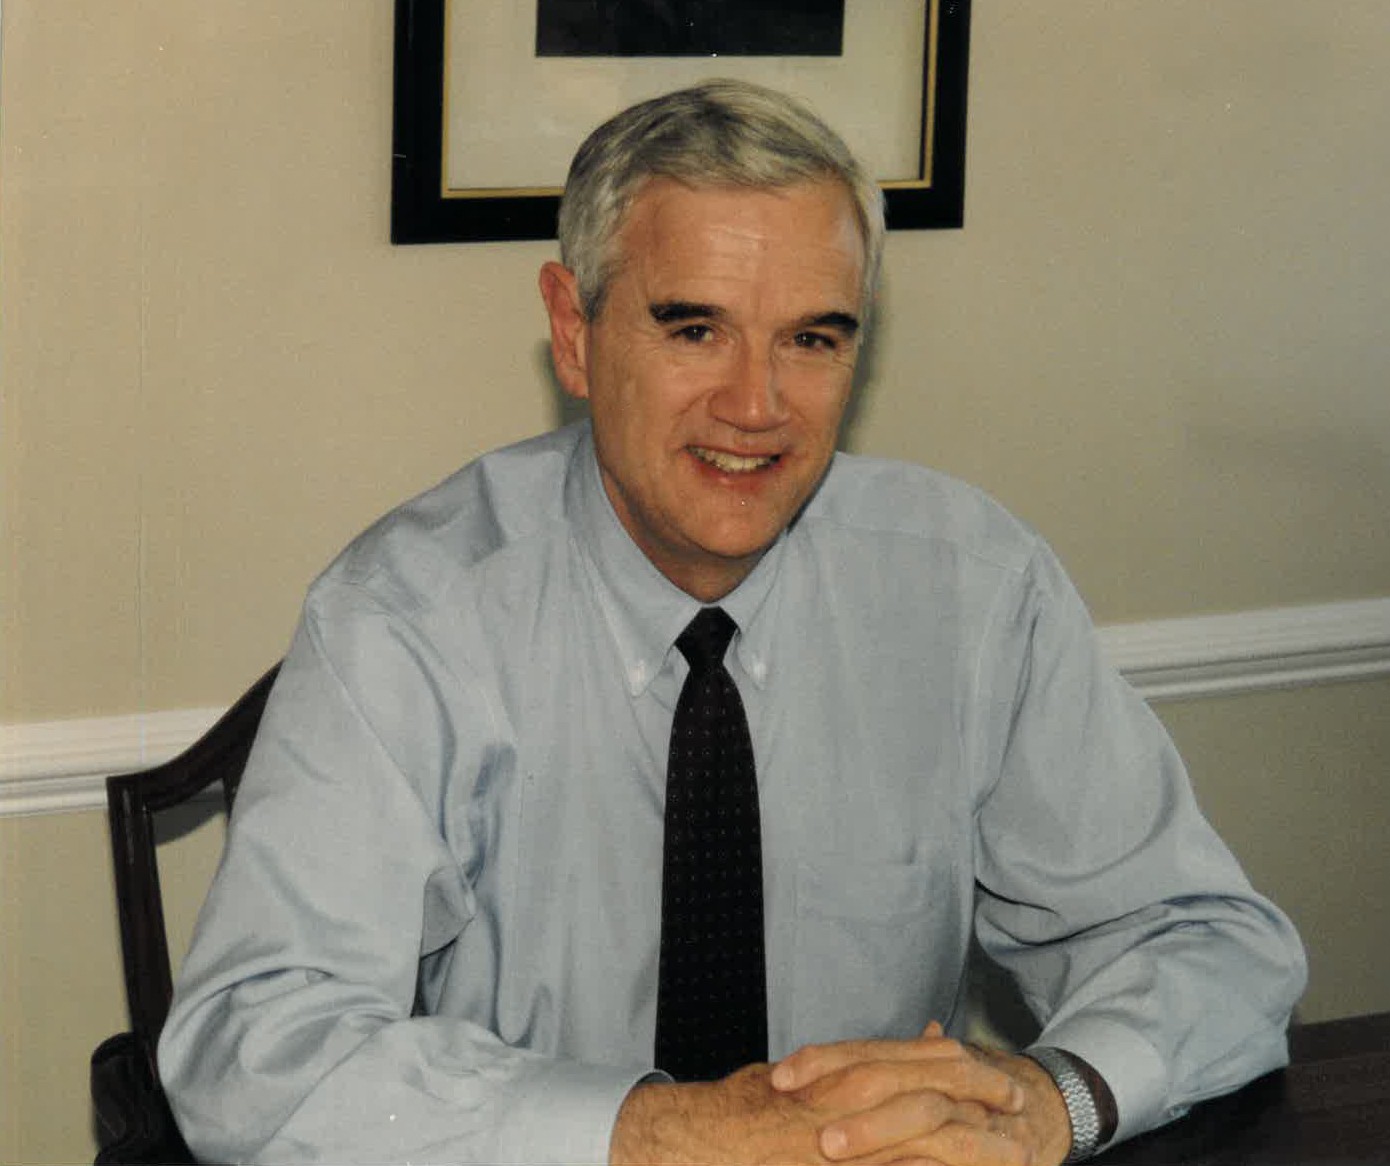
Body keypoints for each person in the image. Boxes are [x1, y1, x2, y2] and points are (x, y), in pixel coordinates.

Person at [158, 80, 1306, 1165]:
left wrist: (1054, 1102)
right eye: (694, 328)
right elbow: (252, 1048)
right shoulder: (406, 616)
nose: (756, 405)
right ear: (573, 330)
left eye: (812, 337)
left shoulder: (971, 588)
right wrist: (677, 1134)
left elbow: (1211, 944)